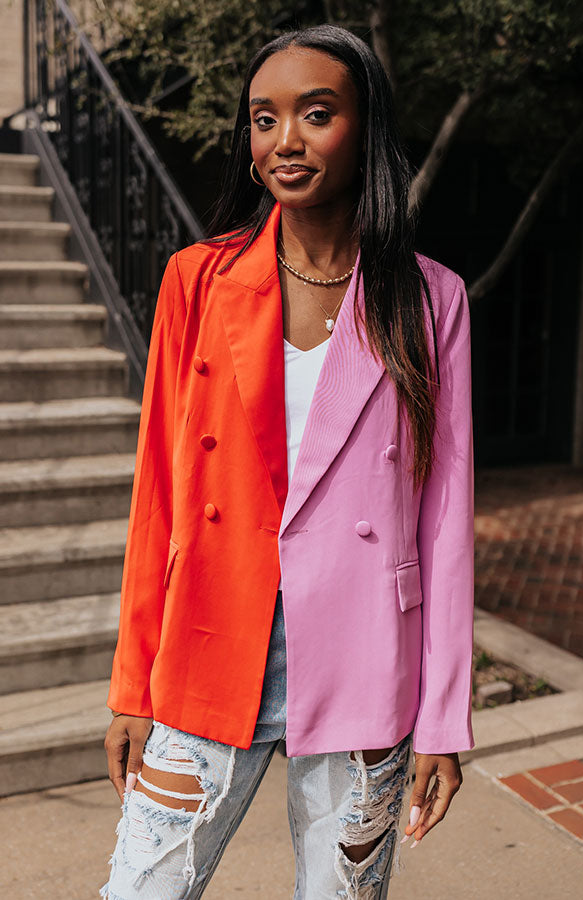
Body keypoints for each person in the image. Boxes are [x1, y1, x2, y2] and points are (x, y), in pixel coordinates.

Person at [101, 22, 474, 900]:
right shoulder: (197, 279)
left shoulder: (430, 299)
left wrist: (444, 720)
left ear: (365, 129)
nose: (285, 141)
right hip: (205, 649)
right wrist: (131, 684)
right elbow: (158, 489)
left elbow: (446, 516)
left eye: (315, 113)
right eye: (264, 120)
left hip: (365, 663)